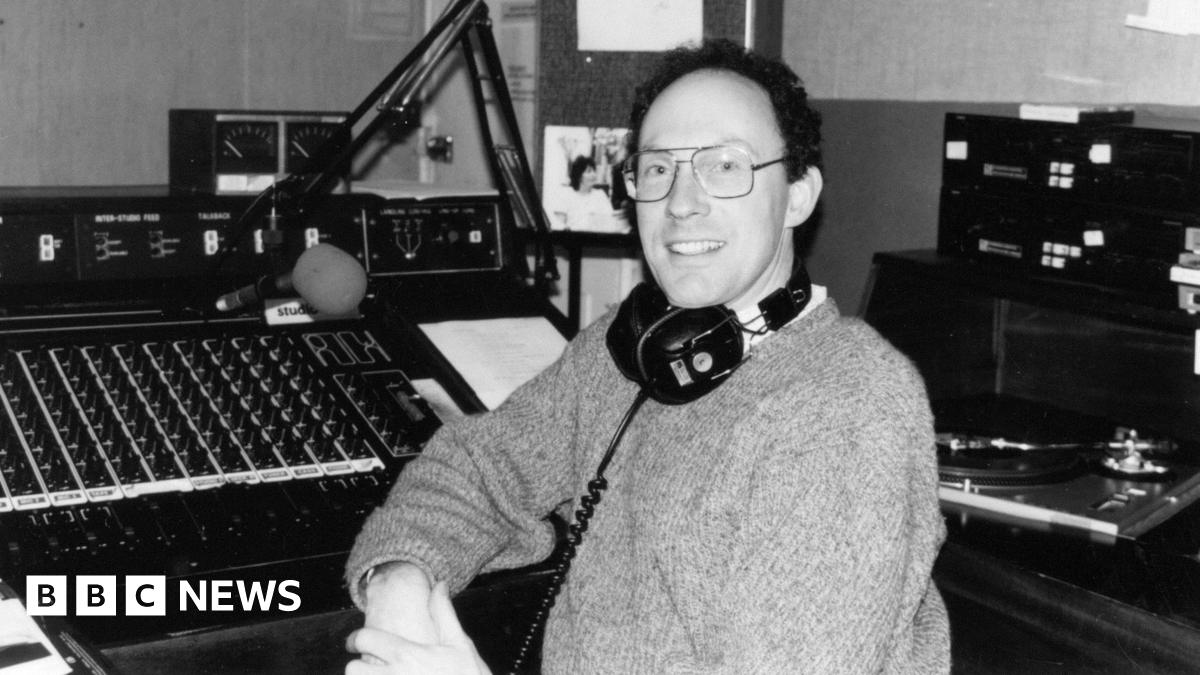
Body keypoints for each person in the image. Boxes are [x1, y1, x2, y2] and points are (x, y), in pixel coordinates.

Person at [344, 38, 950, 674]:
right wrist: (399, 579)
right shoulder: (632, 349)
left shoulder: (847, 410)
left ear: (798, 193)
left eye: (724, 166)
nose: (681, 203)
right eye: (658, 169)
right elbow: (480, 464)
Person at [553, 155, 621, 232]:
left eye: (594, 171)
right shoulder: (566, 194)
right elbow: (558, 224)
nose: (594, 175)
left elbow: (610, 222)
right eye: (589, 171)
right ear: (579, 175)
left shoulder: (600, 195)